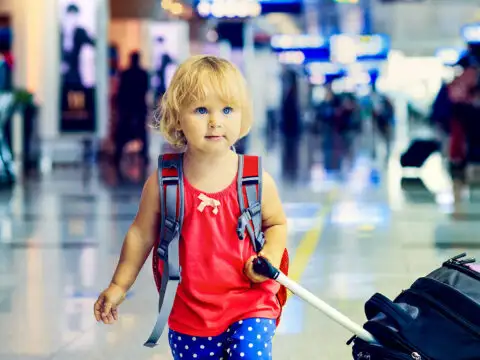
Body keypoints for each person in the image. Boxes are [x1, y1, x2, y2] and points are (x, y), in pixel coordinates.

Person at [93, 55, 288, 360]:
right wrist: (119, 285)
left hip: (251, 303)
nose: (215, 121)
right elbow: (141, 235)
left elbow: (275, 224)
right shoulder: (165, 182)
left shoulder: (254, 179)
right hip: (189, 313)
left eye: (227, 109)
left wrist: (269, 257)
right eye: (200, 110)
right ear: (177, 118)